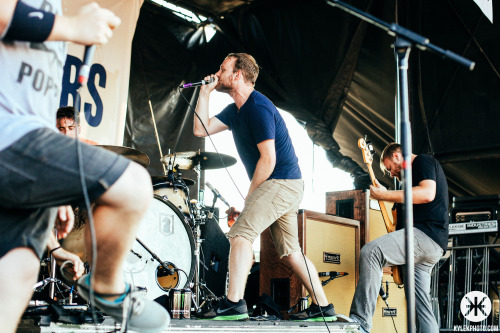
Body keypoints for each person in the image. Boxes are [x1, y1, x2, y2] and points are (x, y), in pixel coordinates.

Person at [0, 1, 169, 332]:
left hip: (22, 154)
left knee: (17, 270)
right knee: (133, 184)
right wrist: (73, 27)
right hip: (9, 136)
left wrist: (55, 185)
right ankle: (104, 287)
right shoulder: (57, 17)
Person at [193, 53, 336, 321]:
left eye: (223, 69)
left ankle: (234, 303)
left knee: (240, 234)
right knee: (291, 251)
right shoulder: (235, 110)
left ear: (237, 75)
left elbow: (268, 159)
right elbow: (201, 130)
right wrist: (204, 93)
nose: (218, 73)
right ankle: (324, 307)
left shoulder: (258, 107)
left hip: (281, 181)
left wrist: (250, 197)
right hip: (287, 184)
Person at [349, 143, 448, 332]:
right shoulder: (408, 183)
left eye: (389, 168)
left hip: (424, 236)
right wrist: (386, 195)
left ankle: (360, 323)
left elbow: (427, 193)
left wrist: (386, 195)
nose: (391, 173)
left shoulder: (421, 161)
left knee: (371, 252)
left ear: (396, 156)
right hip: (432, 245)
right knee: (422, 308)